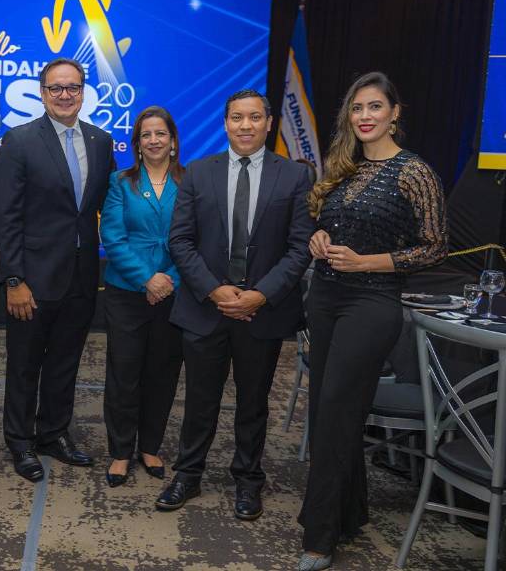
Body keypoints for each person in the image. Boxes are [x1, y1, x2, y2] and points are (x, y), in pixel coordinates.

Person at [296, 72, 447, 571]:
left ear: (394, 113)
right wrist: (319, 239)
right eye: (357, 108)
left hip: (373, 303)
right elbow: (329, 225)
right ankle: (349, 512)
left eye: (375, 107)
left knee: (336, 411)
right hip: (326, 297)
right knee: (326, 410)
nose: (364, 116)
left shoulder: (414, 174)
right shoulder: (343, 168)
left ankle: (318, 538)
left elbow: (433, 247)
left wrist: (370, 261)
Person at [157, 90, 314, 519]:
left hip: (262, 310)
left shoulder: (295, 177)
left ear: (269, 123)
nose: (245, 125)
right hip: (207, 308)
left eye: (254, 117)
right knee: (199, 401)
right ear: (225, 123)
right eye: (237, 118)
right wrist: (215, 290)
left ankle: (248, 480)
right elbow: (181, 241)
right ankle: (187, 474)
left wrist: (260, 294)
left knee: (253, 403)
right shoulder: (198, 173)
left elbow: (300, 248)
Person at [0, 58, 116, 481]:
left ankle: (54, 433)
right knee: (24, 365)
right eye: (56, 88)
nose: (65, 95)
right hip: (32, 278)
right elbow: (5, 217)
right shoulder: (20, 140)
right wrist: (13, 278)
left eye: (73, 88)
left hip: (82, 277)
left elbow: (101, 210)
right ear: (42, 93)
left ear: (84, 92)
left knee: (66, 362)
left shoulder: (101, 142)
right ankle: (21, 442)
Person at [99, 106, 185, 487]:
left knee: (162, 372)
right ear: (136, 144)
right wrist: (148, 280)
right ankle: (120, 451)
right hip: (127, 292)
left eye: (160, 134)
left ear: (173, 141)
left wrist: (169, 278)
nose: (153, 140)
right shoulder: (120, 182)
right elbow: (112, 239)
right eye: (146, 135)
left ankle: (150, 446)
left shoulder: (192, 182)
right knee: (124, 373)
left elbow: (198, 240)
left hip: (176, 289)